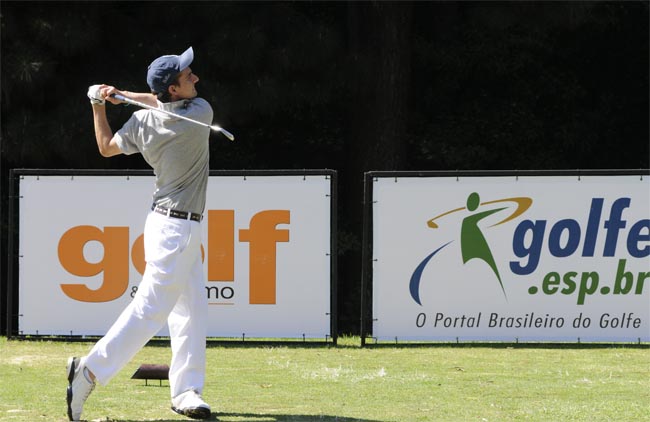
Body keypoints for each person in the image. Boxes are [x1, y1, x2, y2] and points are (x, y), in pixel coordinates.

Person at [67, 46, 213, 421]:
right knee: (151, 309)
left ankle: (186, 392)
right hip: (177, 229)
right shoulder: (201, 114)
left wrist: (100, 104)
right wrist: (127, 96)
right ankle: (89, 370)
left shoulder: (143, 124)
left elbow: (105, 147)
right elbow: (158, 101)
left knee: (192, 310)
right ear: (176, 91)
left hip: (167, 224)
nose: (195, 76)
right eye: (187, 75)